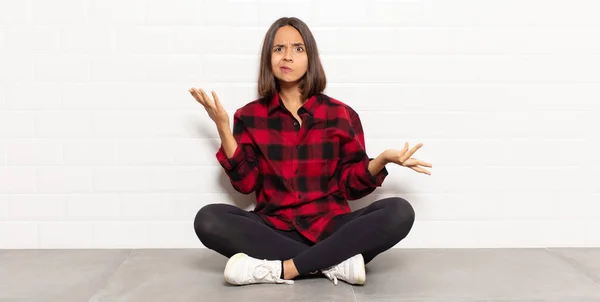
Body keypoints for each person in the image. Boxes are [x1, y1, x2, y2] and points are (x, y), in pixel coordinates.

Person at [189, 16, 432, 286]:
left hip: (332, 228)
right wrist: (223, 128)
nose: (288, 56)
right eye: (278, 49)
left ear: (310, 58)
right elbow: (246, 184)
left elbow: (351, 187)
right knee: (208, 219)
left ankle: (285, 269)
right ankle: (333, 263)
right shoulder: (249, 116)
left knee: (399, 210)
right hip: (275, 229)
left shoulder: (340, 114)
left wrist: (382, 160)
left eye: (298, 48)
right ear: (268, 58)